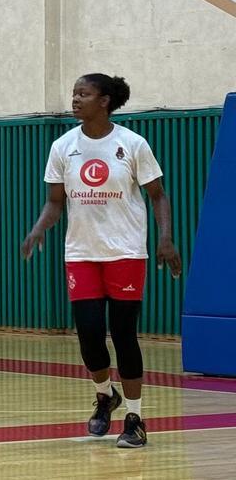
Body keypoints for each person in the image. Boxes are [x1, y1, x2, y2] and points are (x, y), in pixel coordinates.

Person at [22, 73, 182, 448]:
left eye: (84, 93)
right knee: (90, 334)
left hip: (126, 252)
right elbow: (55, 201)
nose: (75, 99)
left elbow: (158, 195)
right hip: (81, 253)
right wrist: (38, 229)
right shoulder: (63, 146)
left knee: (124, 335)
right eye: (74, 93)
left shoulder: (132, 144)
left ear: (105, 100)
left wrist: (165, 238)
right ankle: (104, 394)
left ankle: (134, 418)